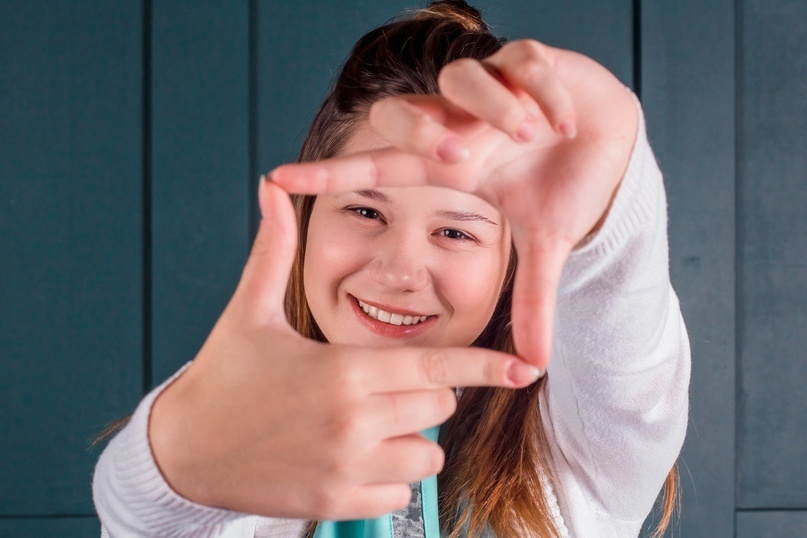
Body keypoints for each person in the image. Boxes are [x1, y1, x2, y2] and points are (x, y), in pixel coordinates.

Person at [93, 1, 690, 536]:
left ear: (512, 260)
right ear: (306, 216)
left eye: (455, 231)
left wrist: (613, 193)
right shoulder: (237, 429)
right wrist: (165, 467)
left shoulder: (574, 452)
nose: (401, 270)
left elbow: (628, 346)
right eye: (363, 210)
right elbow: (142, 512)